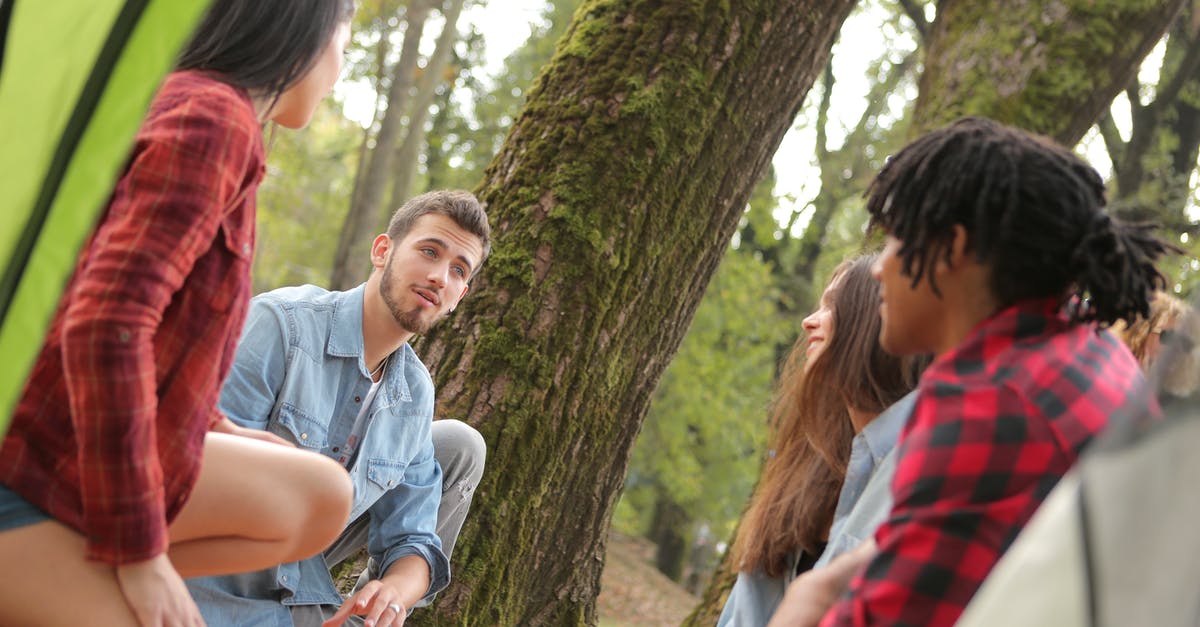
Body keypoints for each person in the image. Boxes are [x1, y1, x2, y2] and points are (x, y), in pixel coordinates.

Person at [0, 1, 357, 625]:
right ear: (302, 30)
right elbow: (104, 327)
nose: (340, 72)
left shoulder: (205, 114)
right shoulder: (213, 119)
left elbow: (153, 327)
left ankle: (87, 572)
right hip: (40, 470)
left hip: (90, 454)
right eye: (344, 48)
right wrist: (142, 554)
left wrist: (218, 427)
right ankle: (91, 568)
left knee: (322, 493)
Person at [767, 117, 1178, 627]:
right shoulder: (1088, 352)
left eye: (896, 241)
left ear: (952, 249)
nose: (878, 268)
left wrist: (808, 599)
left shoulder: (990, 402)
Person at [186, 190, 491, 627]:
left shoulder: (414, 392)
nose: (440, 276)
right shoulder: (281, 325)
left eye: (458, 270)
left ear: (461, 294)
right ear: (383, 250)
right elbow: (200, 482)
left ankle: (350, 611)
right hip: (216, 562)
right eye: (429, 251)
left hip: (304, 564)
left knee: (462, 444)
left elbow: (415, 537)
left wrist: (393, 593)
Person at [718, 255, 925, 626]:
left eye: (832, 306)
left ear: (872, 318)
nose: (809, 321)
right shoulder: (812, 460)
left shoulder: (919, 464)